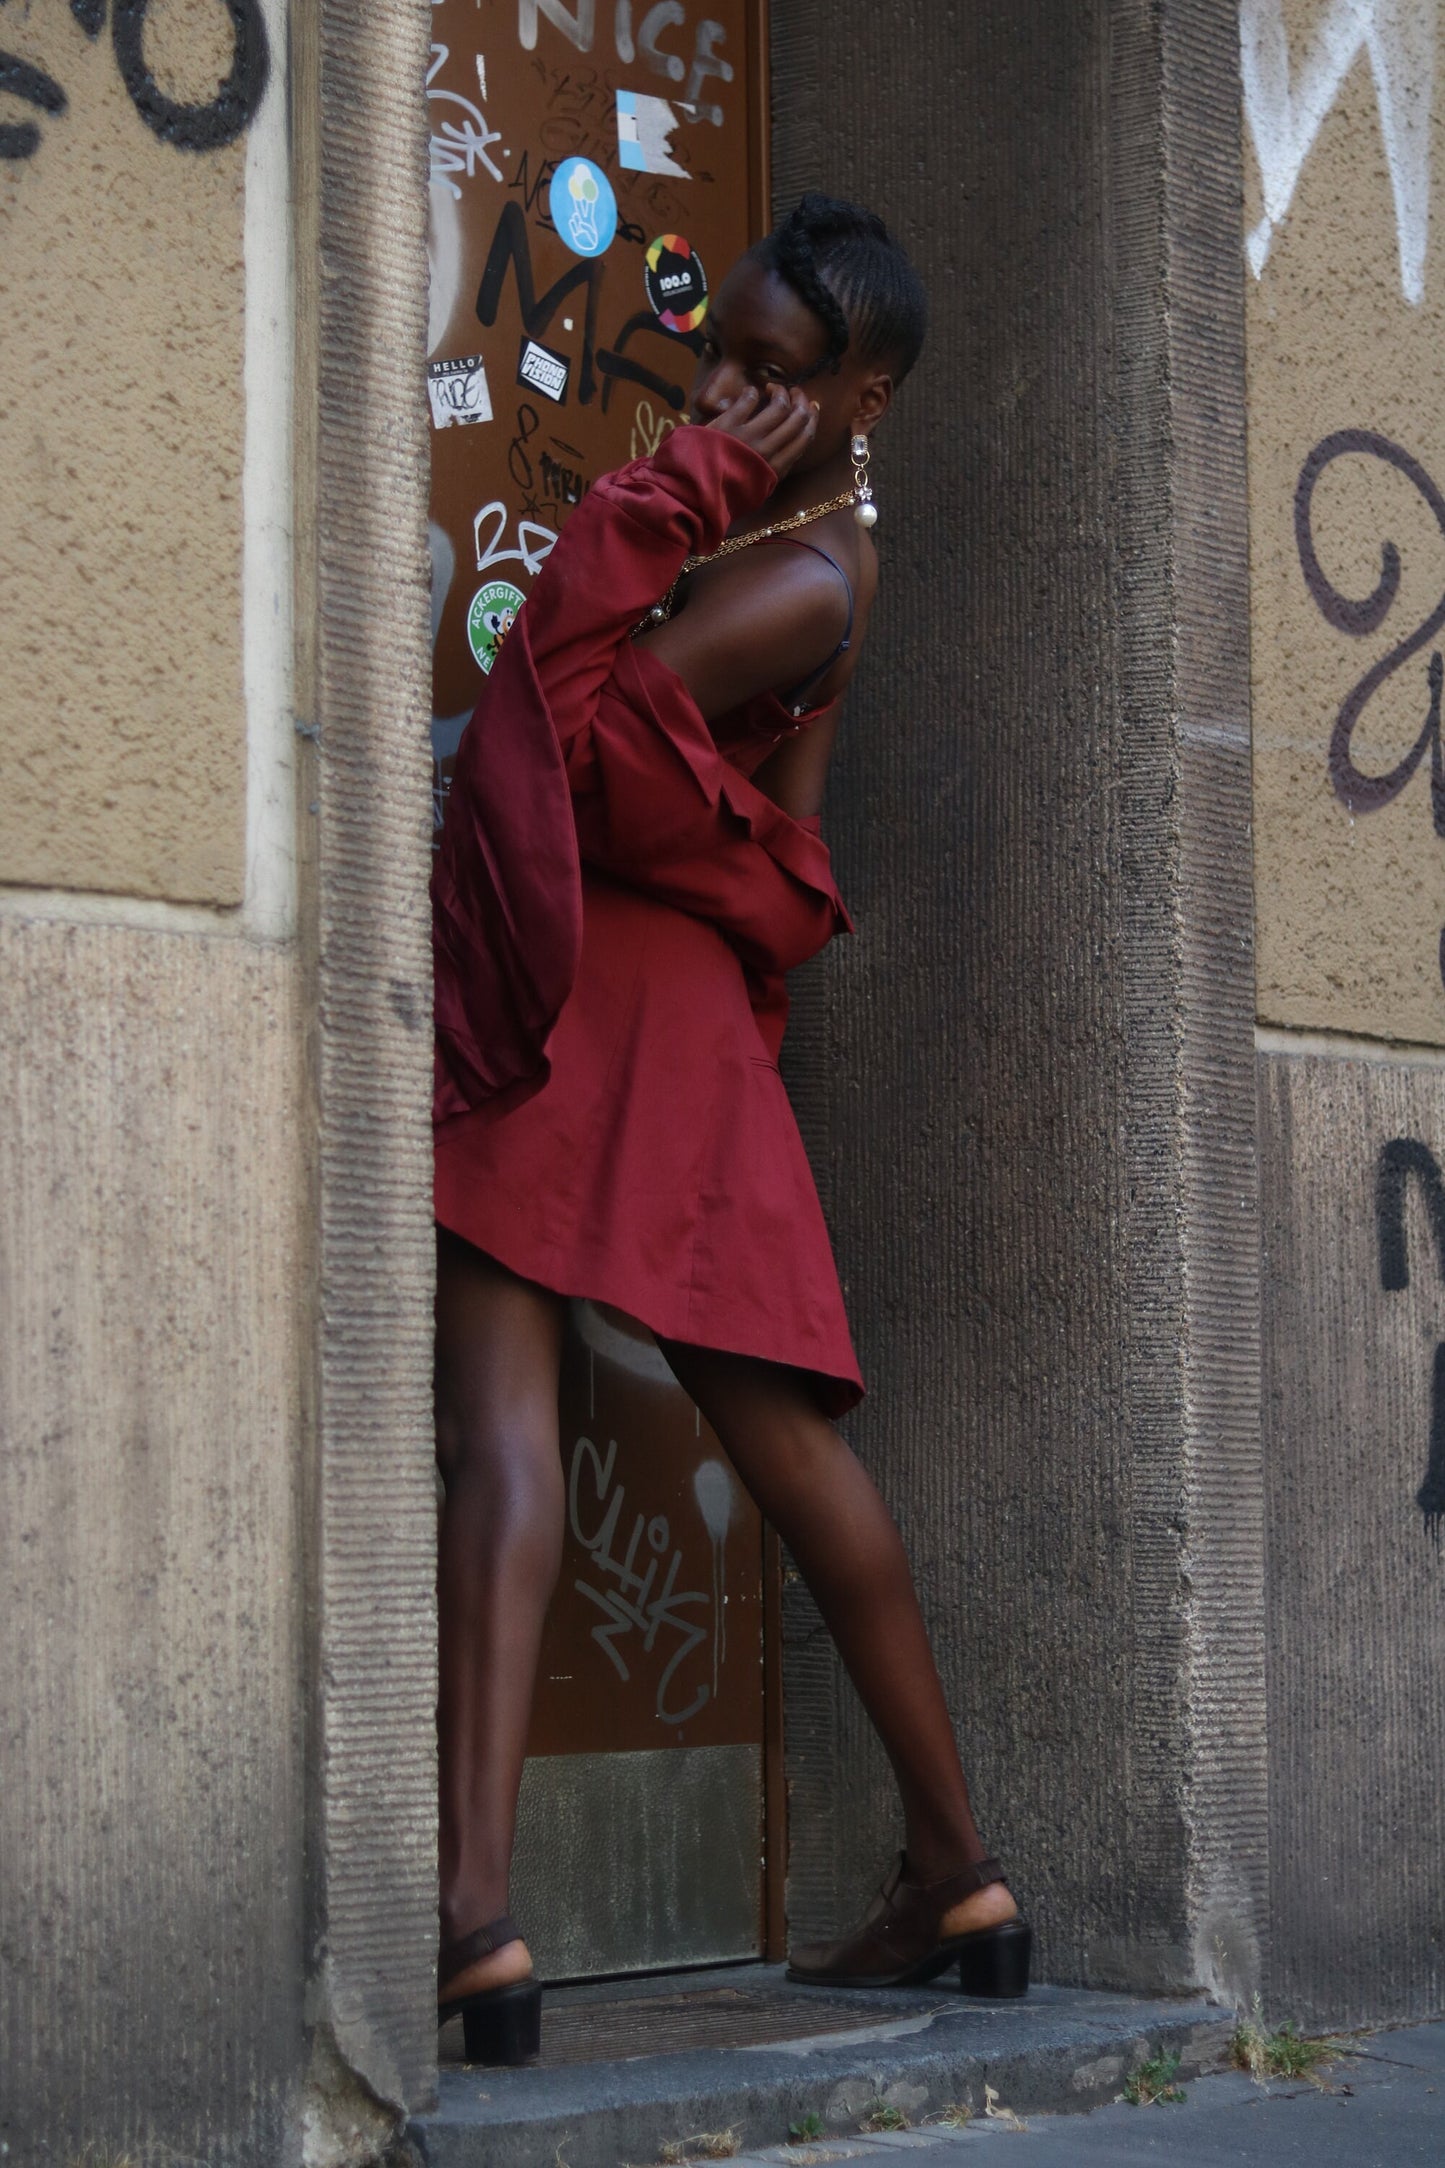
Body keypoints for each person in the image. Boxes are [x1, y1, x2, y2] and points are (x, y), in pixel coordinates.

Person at [430, 195, 1029, 2068]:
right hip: (647, 1008)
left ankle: (481, 1921)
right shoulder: (803, 538)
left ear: (864, 393)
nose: (727, 392)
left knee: (573, 1438)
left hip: (603, 1001)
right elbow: (774, 819)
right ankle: (952, 1876)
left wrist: (666, 489)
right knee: (747, 1443)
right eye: (720, 356)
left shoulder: (796, 561)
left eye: (775, 374)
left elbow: (591, 751)